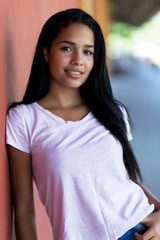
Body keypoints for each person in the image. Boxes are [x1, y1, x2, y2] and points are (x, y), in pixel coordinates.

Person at [6, 8, 160, 240]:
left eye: (88, 52)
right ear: (46, 51)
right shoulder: (25, 119)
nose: (78, 60)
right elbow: (25, 211)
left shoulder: (113, 112)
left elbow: (126, 179)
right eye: (67, 48)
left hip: (141, 231)